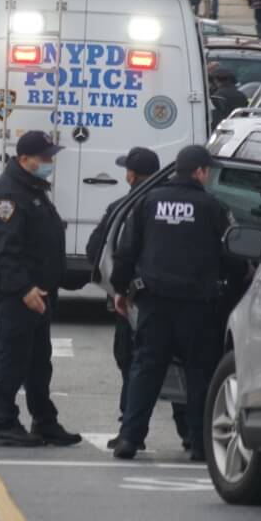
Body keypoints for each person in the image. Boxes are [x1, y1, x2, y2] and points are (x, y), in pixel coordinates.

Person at [108, 145, 231, 461]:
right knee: (199, 376)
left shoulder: (149, 201)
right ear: (200, 172)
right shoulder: (212, 207)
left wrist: (120, 290)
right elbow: (230, 255)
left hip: (154, 302)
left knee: (146, 370)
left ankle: (129, 439)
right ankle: (201, 446)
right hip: (197, 307)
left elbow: (126, 250)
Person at [0, 131, 83, 448]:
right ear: (25, 159)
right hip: (19, 293)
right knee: (11, 359)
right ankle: (5, 423)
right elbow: (5, 250)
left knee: (39, 362)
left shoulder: (32, 188)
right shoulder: (8, 195)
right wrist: (24, 289)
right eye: (45, 158)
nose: (49, 163)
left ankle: (44, 421)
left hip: (40, 291)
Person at [83, 147, 162, 428]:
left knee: (131, 359)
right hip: (176, 300)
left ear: (131, 175)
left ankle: (130, 421)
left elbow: (95, 249)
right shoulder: (167, 205)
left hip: (131, 299)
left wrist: (117, 286)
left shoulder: (122, 208)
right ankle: (191, 435)